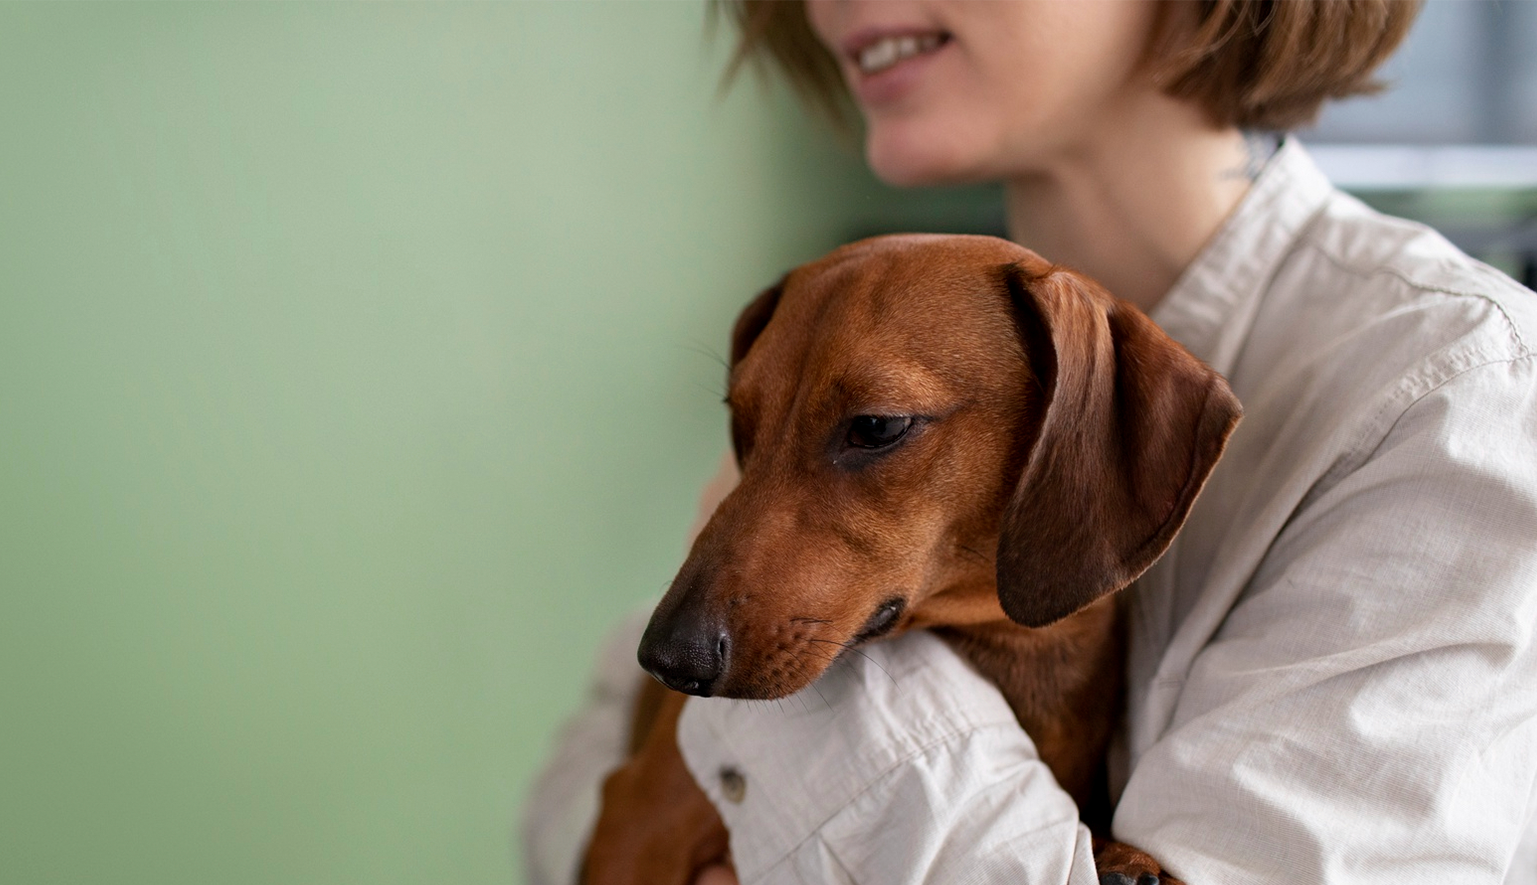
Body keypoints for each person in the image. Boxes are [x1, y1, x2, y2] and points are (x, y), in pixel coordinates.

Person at [523, 1, 1537, 883]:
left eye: (878, 430)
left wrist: (834, 686)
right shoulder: (826, 358)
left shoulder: (1451, 392)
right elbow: (568, 808)